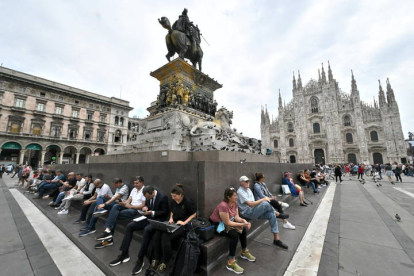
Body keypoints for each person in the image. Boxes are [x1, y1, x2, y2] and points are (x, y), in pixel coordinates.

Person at [109, 185, 169, 275]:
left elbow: (165, 212)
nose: (147, 198)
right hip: (148, 217)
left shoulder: (163, 197)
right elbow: (148, 206)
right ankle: (124, 253)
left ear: (153, 193)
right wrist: (145, 208)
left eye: (148, 197)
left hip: (157, 220)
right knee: (130, 226)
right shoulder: (148, 194)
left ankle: (140, 259)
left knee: (147, 230)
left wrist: (152, 212)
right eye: (146, 197)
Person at [152, 184, 197, 273]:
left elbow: (194, 214)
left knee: (166, 237)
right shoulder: (173, 202)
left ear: (180, 195)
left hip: (182, 226)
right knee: (157, 233)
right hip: (173, 223)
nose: (173, 198)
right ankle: (157, 258)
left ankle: (166, 261)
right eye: (172, 196)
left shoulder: (187, 201)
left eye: (175, 196)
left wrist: (184, 222)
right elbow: (172, 211)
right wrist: (171, 218)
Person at [210, 187, 255, 274]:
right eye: (235, 196)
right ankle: (231, 262)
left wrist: (244, 221)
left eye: (236, 195)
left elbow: (236, 217)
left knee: (243, 230)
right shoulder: (223, 206)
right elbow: (227, 223)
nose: (237, 197)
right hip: (218, 225)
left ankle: (244, 251)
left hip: (228, 221)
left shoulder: (234, 203)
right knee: (234, 235)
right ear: (228, 197)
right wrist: (242, 224)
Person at [94, 176, 146, 249]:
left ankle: (108, 237)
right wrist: (125, 203)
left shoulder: (145, 190)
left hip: (135, 210)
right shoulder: (134, 189)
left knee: (113, 215)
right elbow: (129, 199)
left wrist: (130, 206)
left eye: (137, 183)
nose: (135, 185)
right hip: (128, 206)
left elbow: (142, 205)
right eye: (134, 183)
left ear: (142, 183)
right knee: (115, 207)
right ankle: (108, 231)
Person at [237, 175, 288, 249]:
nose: (248, 182)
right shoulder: (240, 192)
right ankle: (277, 213)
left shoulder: (248, 190)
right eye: (246, 181)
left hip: (254, 210)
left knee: (271, 215)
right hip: (247, 213)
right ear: (241, 183)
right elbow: (250, 204)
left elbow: (254, 202)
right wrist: (263, 200)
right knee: (265, 203)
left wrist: (264, 201)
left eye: (248, 181)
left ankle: (276, 239)